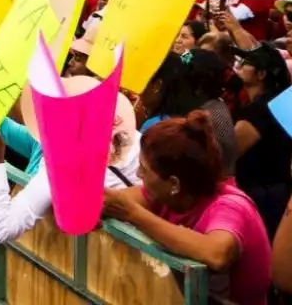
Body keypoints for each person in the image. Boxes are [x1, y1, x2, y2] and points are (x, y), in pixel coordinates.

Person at [103, 113, 271, 305]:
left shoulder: (231, 207)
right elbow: (111, 200)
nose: (138, 174)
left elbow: (216, 254)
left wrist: (133, 214)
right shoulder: (163, 195)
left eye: (144, 169)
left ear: (174, 183)